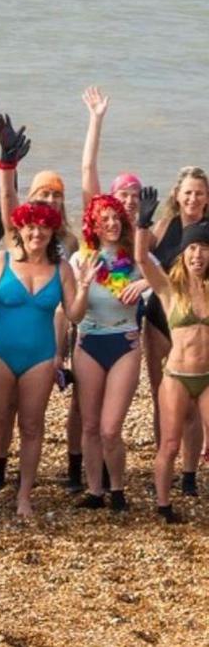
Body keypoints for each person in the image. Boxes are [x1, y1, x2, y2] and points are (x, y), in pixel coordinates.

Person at [0, 125, 95, 517]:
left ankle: (24, 496)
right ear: (20, 228)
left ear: (50, 229)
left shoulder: (62, 268)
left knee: (32, 426)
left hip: (41, 356)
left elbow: (74, 314)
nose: (37, 231)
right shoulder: (4, 257)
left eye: (44, 226)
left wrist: (87, 287)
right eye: (31, 225)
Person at [134, 191, 209, 523]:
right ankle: (164, 506)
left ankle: (192, 479)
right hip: (176, 376)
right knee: (169, 444)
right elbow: (140, 260)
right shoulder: (168, 289)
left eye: (204, 248)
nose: (197, 254)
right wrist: (141, 224)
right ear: (182, 254)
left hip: (207, 377)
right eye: (192, 248)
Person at [69, 195, 146, 511]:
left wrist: (142, 285)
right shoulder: (81, 259)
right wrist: (85, 285)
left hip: (124, 343)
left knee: (110, 428)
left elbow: (166, 278)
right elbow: (73, 314)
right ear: (94, 225)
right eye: (105, 219)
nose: (112, 223)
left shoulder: (136, 258)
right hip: (88, 342)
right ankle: (95, 491)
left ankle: (117, 490)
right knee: (89, 425)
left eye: (116, 217)